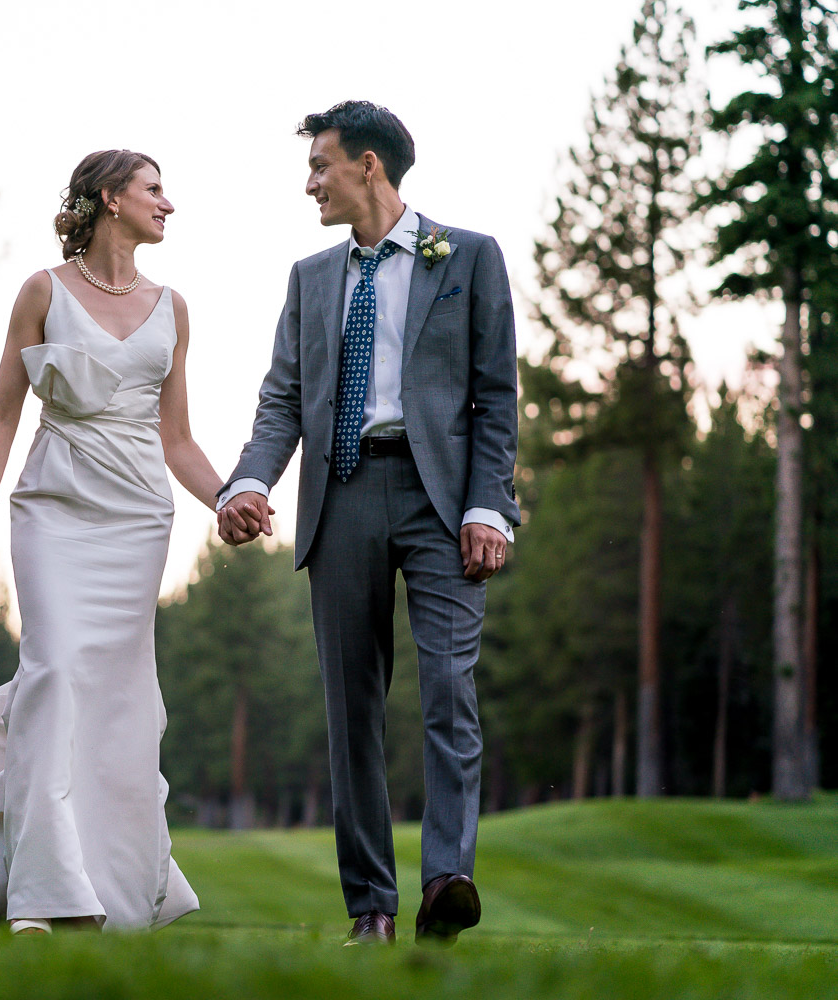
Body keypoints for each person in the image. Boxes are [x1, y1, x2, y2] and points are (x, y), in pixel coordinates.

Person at [218, 101, 519, 947]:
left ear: (370, 167)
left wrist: (487, 504)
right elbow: (282, 397)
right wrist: (247, 481)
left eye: (320, 165)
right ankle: (371, 911)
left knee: (449, 689)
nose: (309, 183)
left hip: (442, 503)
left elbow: (495, 395)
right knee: (350, 706)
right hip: (340, 494)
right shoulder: (310, 277)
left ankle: (446, 882)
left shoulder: (466, 256)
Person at [0, 149, 221, 934]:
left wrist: (229, 498)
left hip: (138, 513)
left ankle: (89, 886)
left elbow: (178, 440)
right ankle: (44, 896)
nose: (167, 204)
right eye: (153, 190)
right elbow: (2, 410)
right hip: (54, 503)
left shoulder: (173, 307)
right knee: (55, 673)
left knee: (115, 702)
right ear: (109, 200)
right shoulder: (43, 290)